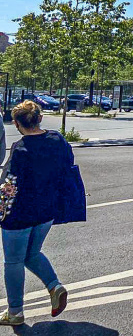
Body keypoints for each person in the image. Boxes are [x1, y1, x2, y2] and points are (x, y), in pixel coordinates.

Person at [0, 101, 70, 326]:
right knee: (32, 253)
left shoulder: (20, 148)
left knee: (13, 262)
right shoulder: (57, 140)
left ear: (18, 123)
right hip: (47, 210)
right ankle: (54, 286)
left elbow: (9, 186)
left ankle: (15, 312)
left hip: (19, 214)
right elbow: (68, 165)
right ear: (39, 118)